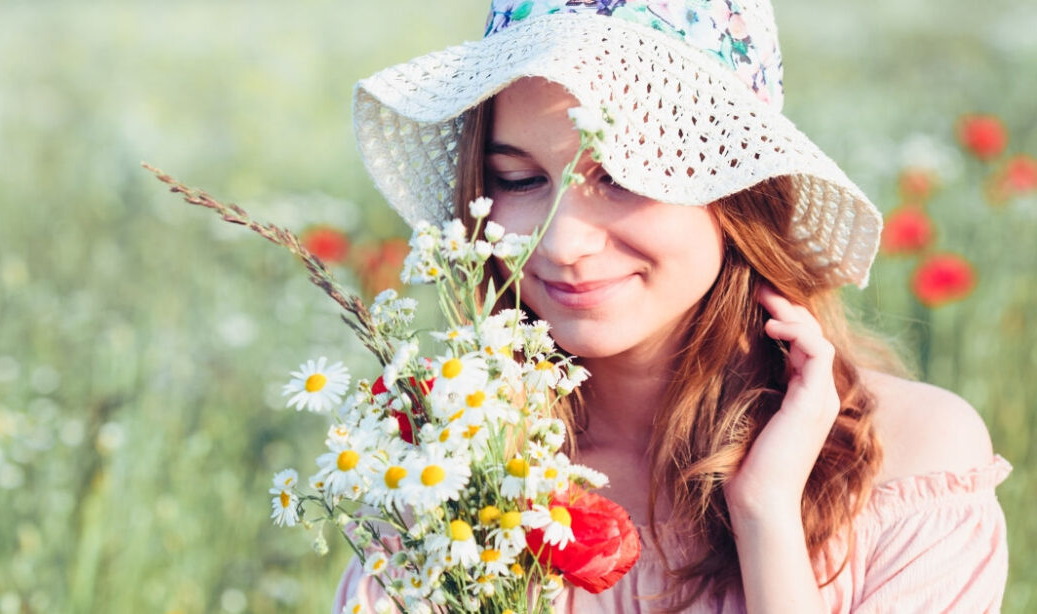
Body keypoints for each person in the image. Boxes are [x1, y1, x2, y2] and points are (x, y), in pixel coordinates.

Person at [337, 0, 1011, 611]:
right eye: (518, 179)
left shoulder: (914, 462)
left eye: (624, 175)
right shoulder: (447, 473)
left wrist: (766, 516)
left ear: (738, 192)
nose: (565, 242)